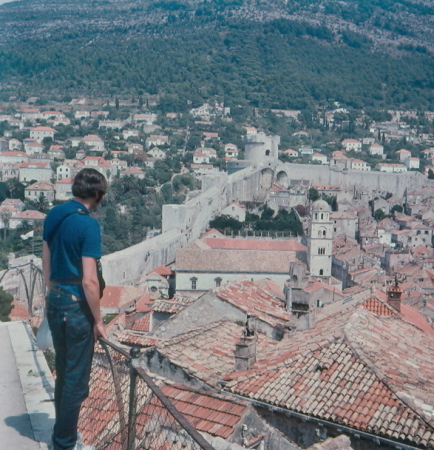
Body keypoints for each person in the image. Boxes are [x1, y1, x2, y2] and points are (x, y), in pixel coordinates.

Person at [42, 168, 108, 450]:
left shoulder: (55, 215)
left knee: (62, 369)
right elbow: (90, 281)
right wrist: (99, 321)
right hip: (76, 307)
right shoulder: (88, 226)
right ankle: (64, 441)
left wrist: (51, 289)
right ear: (96, 194)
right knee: (76, 380)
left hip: (55, 299)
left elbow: (45, 255)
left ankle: (61, 433)